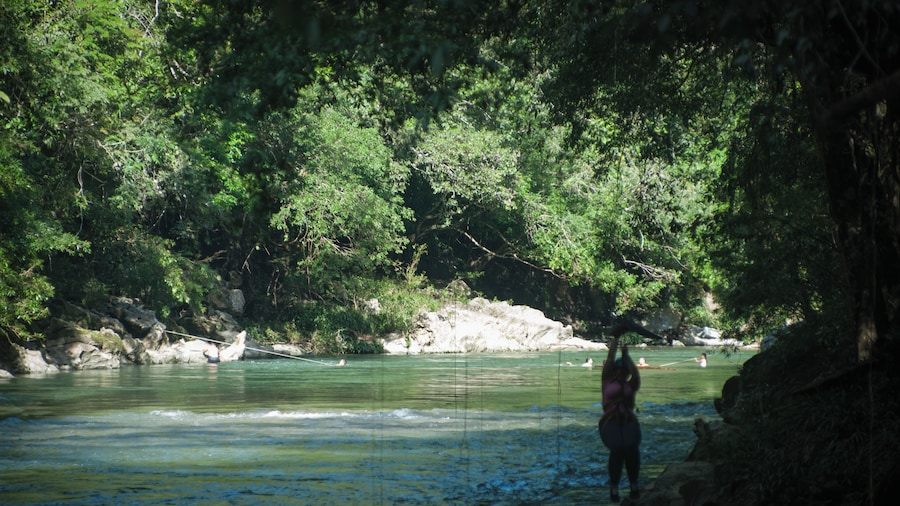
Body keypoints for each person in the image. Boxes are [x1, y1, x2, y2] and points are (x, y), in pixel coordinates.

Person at [598, 328, 641, 502]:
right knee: (617, 448)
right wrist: (615, 340)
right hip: (609, 421)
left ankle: (633, 485)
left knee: (631, 448)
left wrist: (626, 355)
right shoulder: (607, 381)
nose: (621, 372)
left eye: (624, 371)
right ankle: (614, 488)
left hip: (628, 419)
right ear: (614, 371)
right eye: (619, 370)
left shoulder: (632, 385)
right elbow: (609, 360)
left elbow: (635, 373)